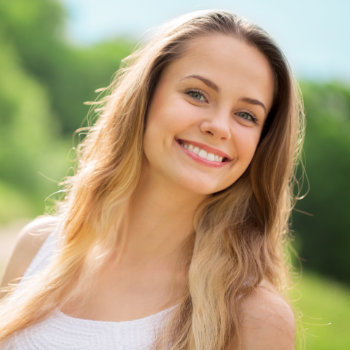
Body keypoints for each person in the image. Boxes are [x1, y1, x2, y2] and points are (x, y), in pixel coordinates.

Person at [0, 9, 304, 350]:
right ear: (145, 97)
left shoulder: (255, 318)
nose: (219, 126)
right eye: (197, 94)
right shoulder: (37, 247)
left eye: (246, 115)